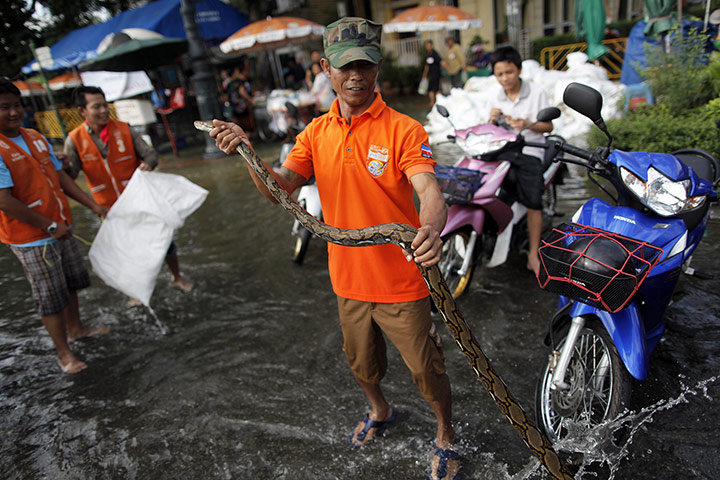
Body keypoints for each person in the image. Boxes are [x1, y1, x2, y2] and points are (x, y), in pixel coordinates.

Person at [210, 17, 460, 480]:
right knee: (362, 364)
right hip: (348, 278)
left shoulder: (404, 129)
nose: (356, 76)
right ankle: (380, 409)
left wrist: (431, 229)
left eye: (365, 64)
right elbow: (281, 189)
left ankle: (445, 433)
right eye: (345, 66)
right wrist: (248, 152)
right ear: (327, 68)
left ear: (378, 66)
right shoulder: (315, 133)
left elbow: (429, 191)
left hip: (403, 280)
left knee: (427, 369)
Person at [0, 78, 109, 374]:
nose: (13, 113)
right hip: (32, 237)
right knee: (49, 296)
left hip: (61, 224)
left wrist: (92, 204)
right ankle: (65, 355)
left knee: (71, 283)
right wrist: (49, 227)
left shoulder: (35, 136)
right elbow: (5, 201)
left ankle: (76, 328)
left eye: (16, 106)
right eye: (4, 108)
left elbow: (61, 177)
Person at [63, 86, 193, 294]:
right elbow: (69, 178)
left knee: (164, 240)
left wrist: (147, 165)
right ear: (82, 111)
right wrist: (63, 168)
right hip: (108, 209)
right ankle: (136, 290)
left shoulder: (124, 129)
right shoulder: (75, 140)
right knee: (126, 250)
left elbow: (150, 155)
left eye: (105, 105)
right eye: (96, 107)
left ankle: (177, 277)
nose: (104, 111)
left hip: (140, 201)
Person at [488, 46, 554, 274]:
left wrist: (527, 123)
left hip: (530, 151)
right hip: (505, 151)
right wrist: (492, 119)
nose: (505, 78)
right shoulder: (496, 95)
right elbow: (490, 129)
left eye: (509, 72)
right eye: (500, 74)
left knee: (533, 201)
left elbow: (548, 126)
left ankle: (533, 254)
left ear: (518, 70)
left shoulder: (536, 92)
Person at [421, 40, 443, 107]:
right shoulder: (428, 54)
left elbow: (441, 61)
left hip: (436, 74)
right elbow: (427, 66)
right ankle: (433, 102)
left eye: (429, 46)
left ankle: (439, 101)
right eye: (427, 46)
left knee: (436, 89)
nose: (428, 47)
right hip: (430, 75)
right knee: (431, 89)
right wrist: (424, 74)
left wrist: (448, 69)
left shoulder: (434, 54)